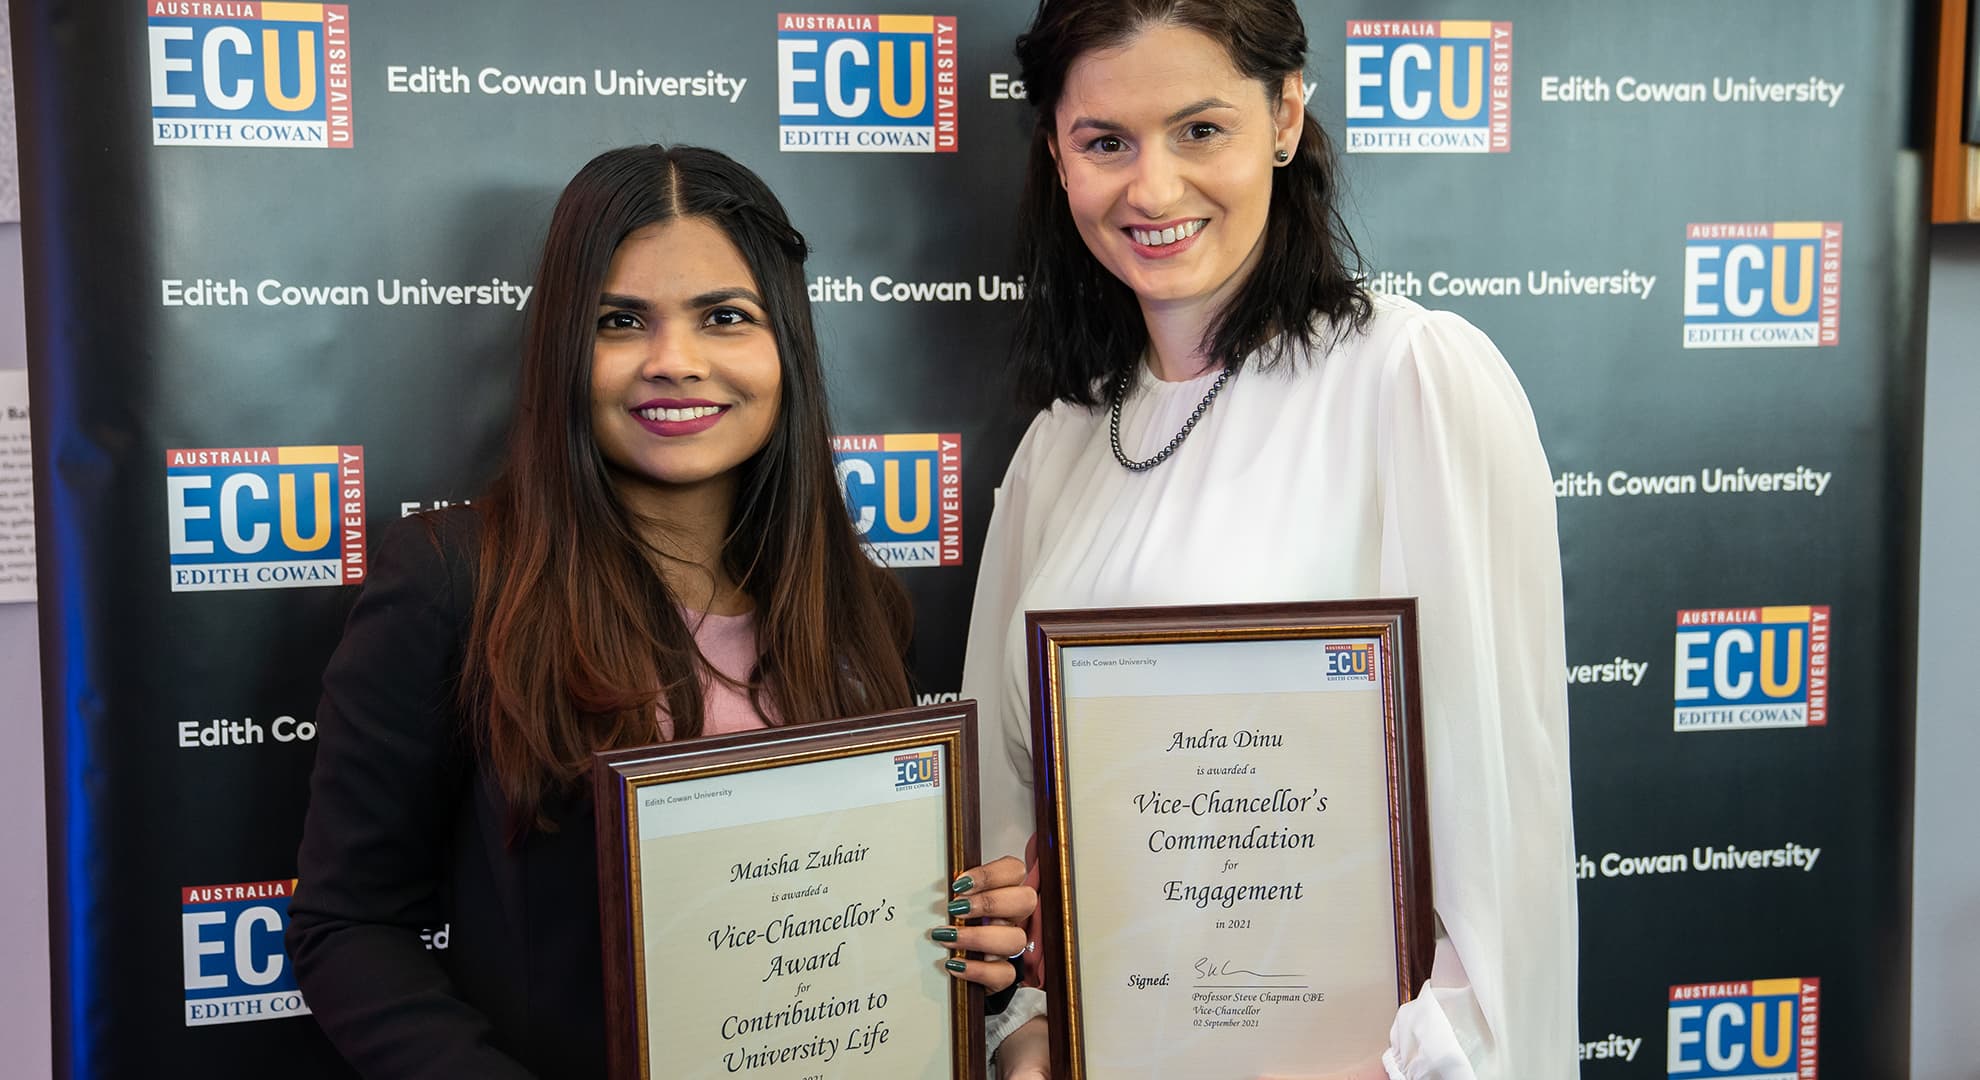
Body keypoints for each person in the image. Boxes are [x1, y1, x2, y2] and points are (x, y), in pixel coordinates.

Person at [287, 144, 1034, 1078]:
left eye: (725, 317)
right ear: (566, 345)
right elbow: (349, 925)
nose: (674, 362)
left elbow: (847, 922)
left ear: (783, 345)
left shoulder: (856, 604)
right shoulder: (453, 581)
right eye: (620, 321)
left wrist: (968, 942)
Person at [963, 2, 1577, 1078]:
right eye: (1106, 142)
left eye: (1200, 130)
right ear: (1058, 155)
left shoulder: (1411, 379)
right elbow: (1000, 817)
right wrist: (1022, 1033)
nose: (1152, 190)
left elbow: (1500, 864)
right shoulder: (1058, 448)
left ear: (1286, 115)